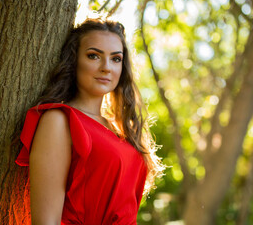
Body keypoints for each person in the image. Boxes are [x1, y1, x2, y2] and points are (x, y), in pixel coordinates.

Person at [15, 18, 164, 225]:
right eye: (94, 56)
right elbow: (46, 221)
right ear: (74, 60)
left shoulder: (118, 128)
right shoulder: (60, 121)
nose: (106, 67)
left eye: (116, 59)